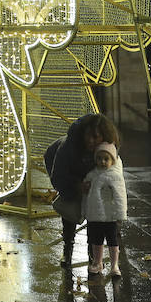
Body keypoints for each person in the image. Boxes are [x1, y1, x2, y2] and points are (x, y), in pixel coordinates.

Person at [43, 113, 119, 267]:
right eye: (88, 136)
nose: (90, 141)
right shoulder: (68, 148)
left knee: (95, 215)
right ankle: (67, 249)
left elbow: (115, 174)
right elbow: (59, 177)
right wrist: (76, 186)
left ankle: (93, 256)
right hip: (61, 166)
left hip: (90, 178)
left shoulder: (109, 147)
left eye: (95, 137)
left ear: (104, 137)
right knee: (70, 210)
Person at [82, 141, 128, 277]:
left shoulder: (115, 176)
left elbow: (120, 197)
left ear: (112, 160)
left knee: (113, 241)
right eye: (99, 158)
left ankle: (114, 265)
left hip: (111, 216)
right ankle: (98, 262)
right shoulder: (92, 175)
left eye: (106, 159)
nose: (102, 162)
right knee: (97, 240)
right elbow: (87, 194)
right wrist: (85, 211)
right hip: (96, 214)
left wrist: (120, 214)